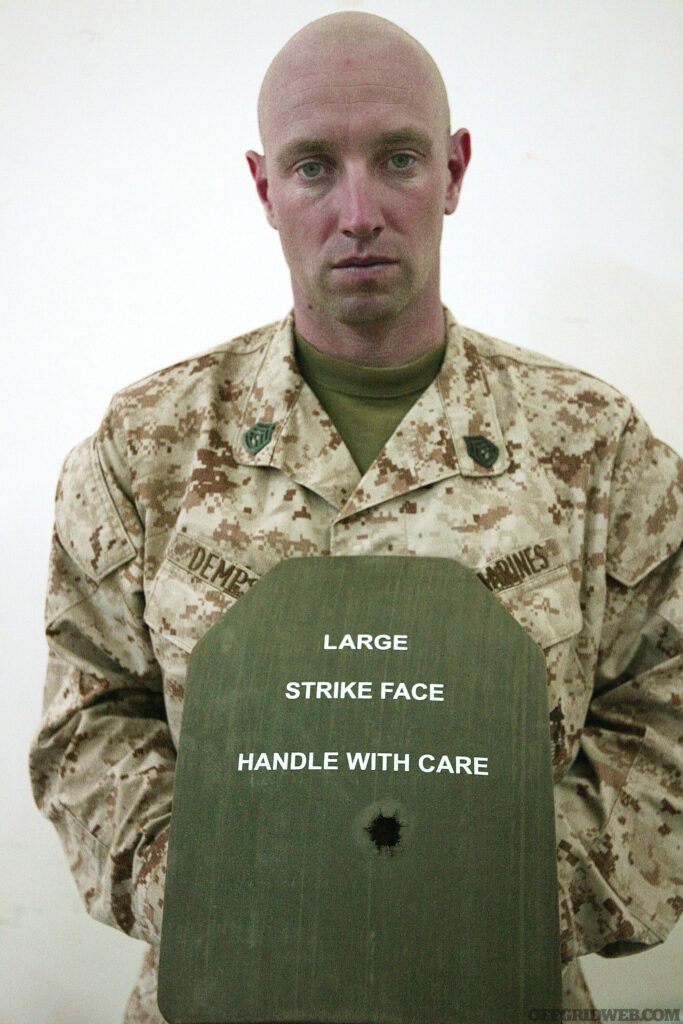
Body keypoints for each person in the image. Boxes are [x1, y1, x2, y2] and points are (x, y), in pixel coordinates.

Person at [29, 11, 682, 1023]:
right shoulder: (149, 448)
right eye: (311, 168)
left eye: (398, 158)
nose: (359, 208)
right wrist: (223, 896)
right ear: (262, 189)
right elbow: (89, 724)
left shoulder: (593, 449)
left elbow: (661, 719)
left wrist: (490, 898)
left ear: (454, 172)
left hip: (496, 990)